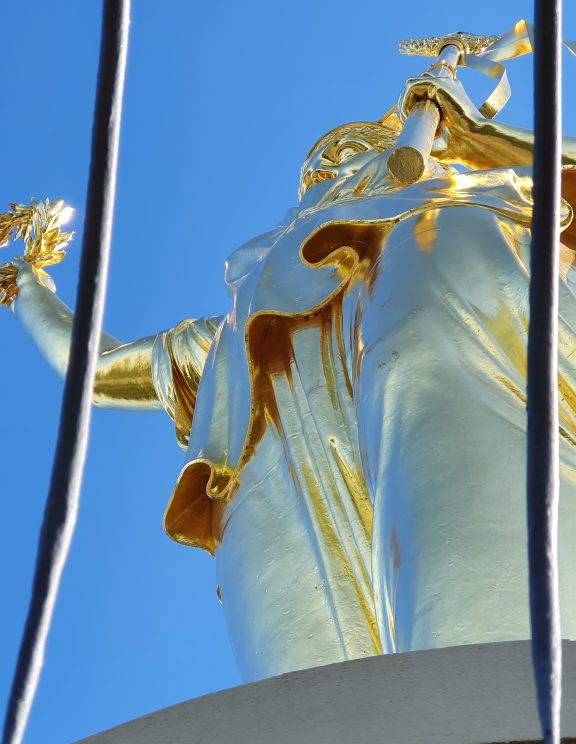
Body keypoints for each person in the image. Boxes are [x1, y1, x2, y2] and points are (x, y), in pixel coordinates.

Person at [12, 72, 576, 682]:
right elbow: (92, 372)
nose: (336, 162)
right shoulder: (243, 333)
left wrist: (481, 135)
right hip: (274, 504)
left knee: (487, 669)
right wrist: (23, 286)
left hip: (473, 360)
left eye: (359, 146)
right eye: (322, 163)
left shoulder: (480, 220)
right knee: (325, 740)